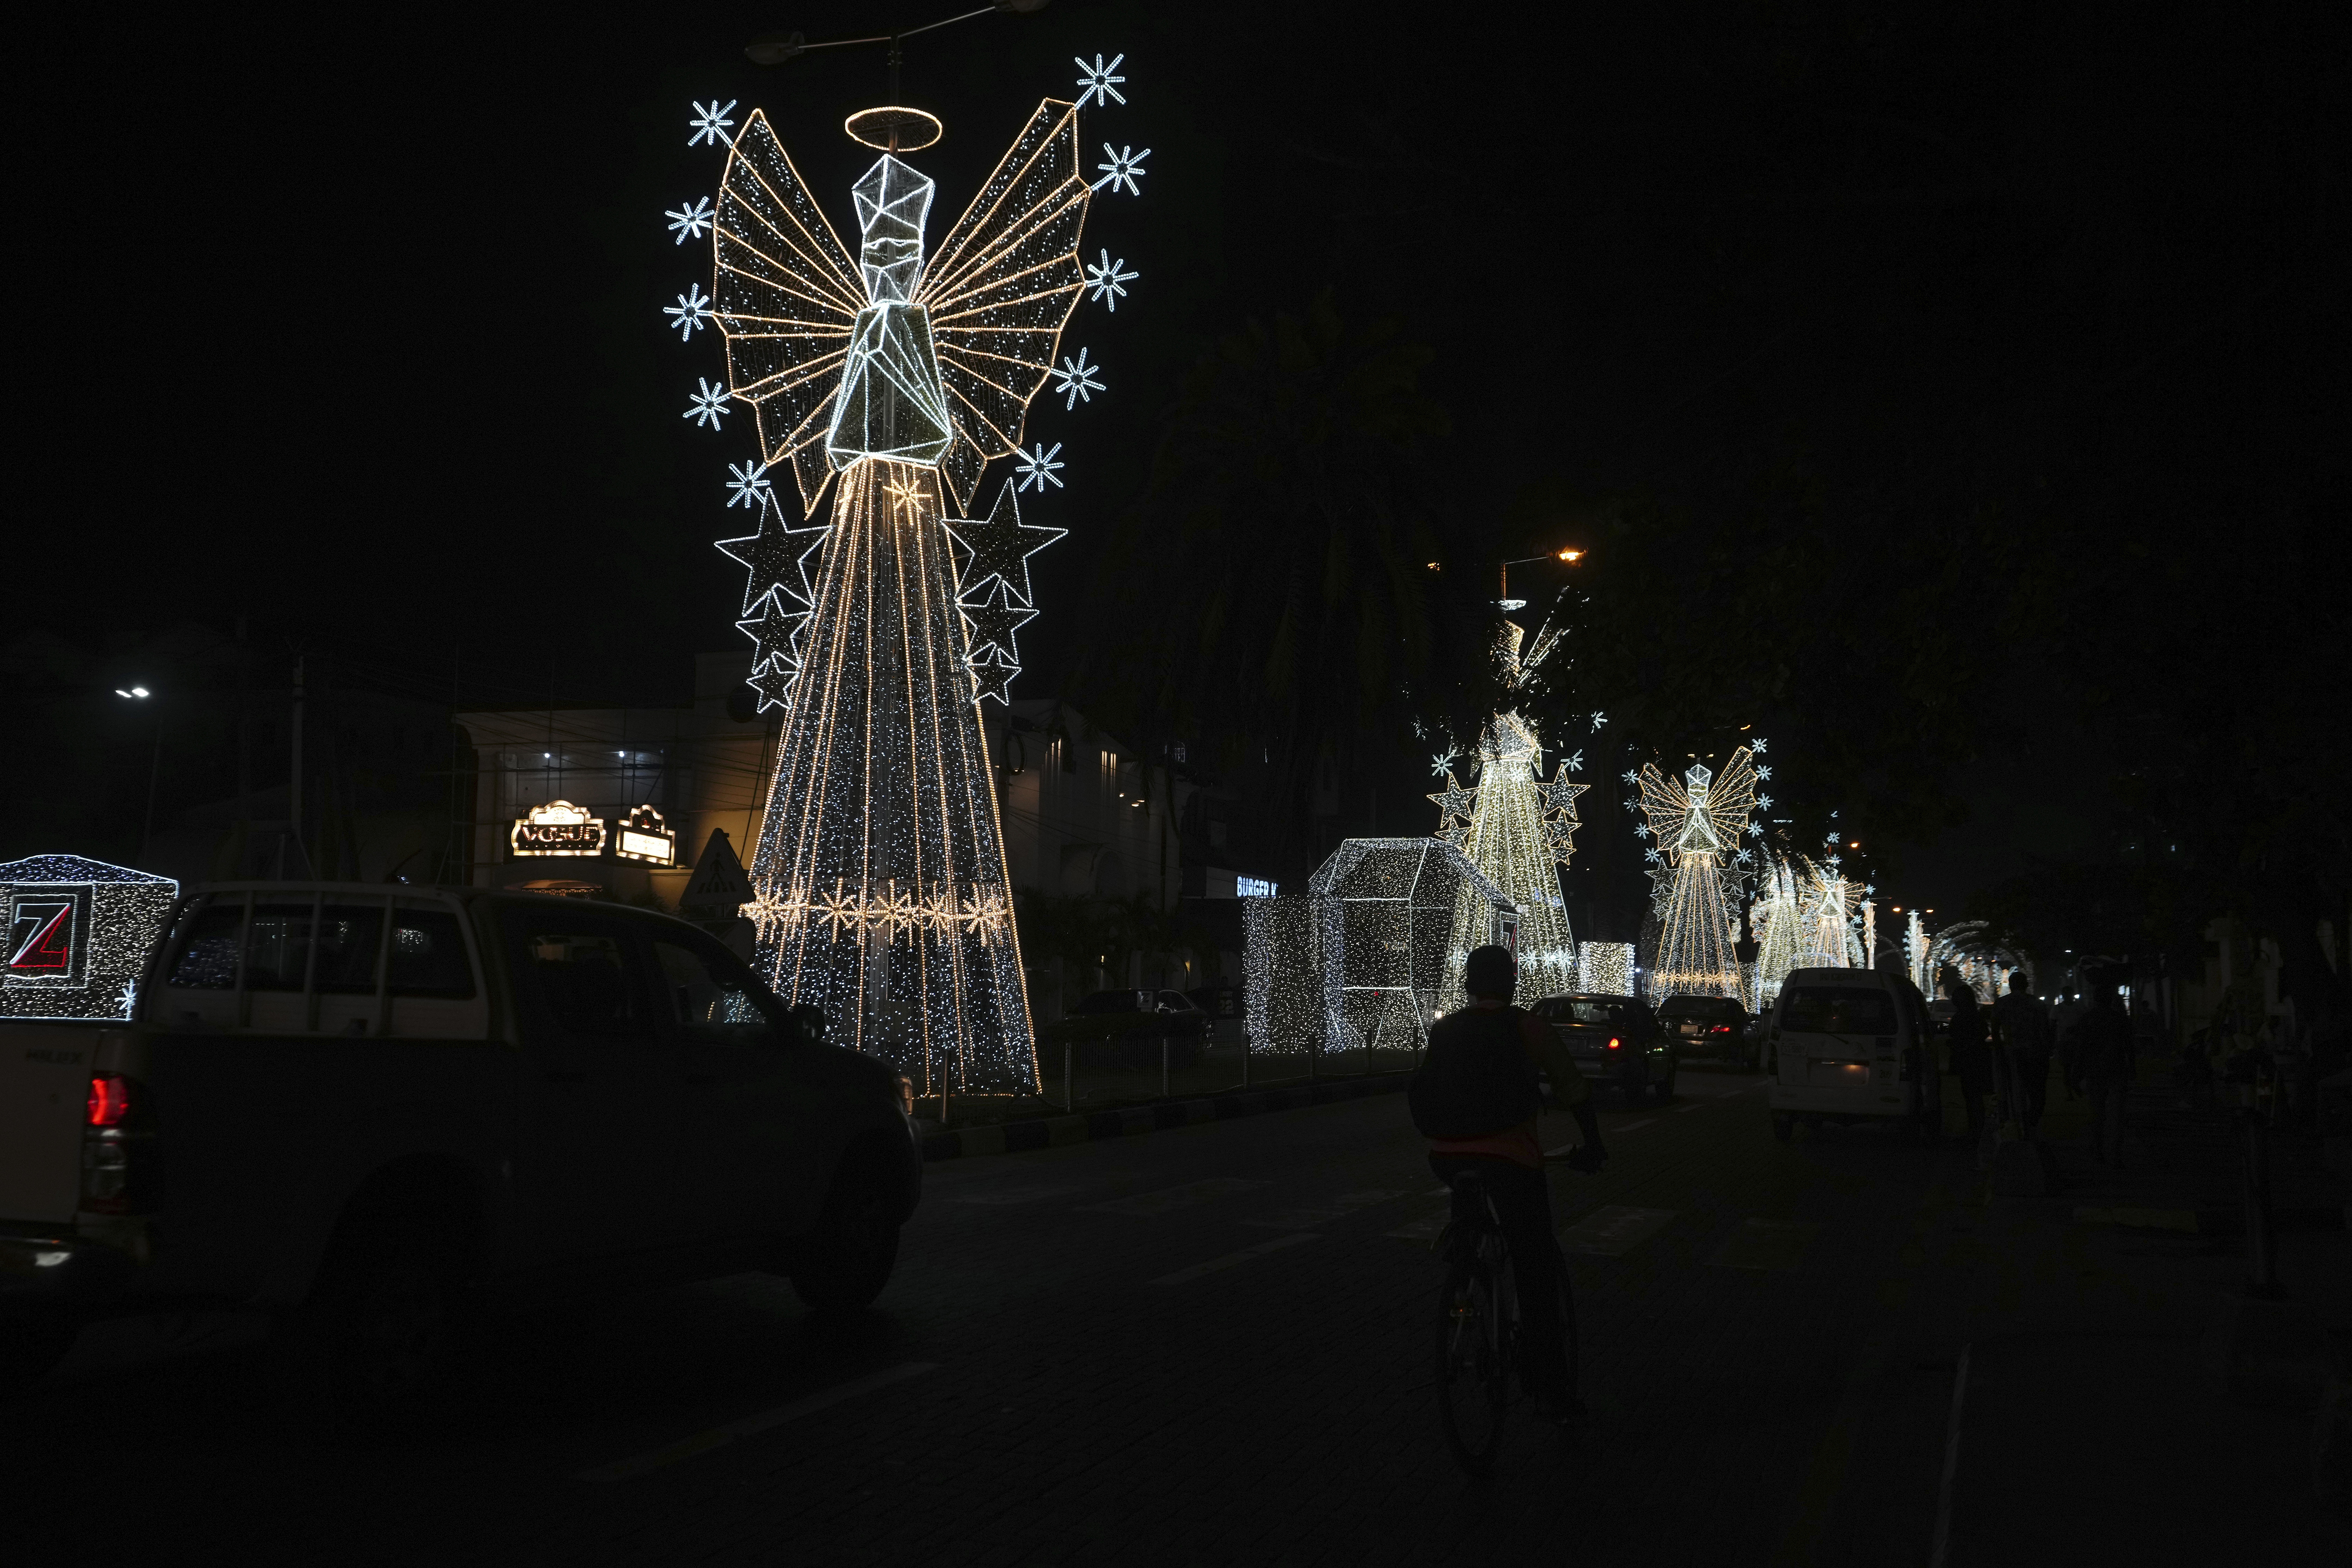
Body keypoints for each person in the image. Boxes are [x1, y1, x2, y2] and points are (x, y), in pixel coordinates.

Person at [1414, 945, 1608, 1426]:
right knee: (1534, 1262)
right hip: (1510, 1161)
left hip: (1446, 1154)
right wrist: (1593, 1145)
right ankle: (1549, 1390)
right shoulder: (1527, 1026)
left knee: (1471, 1232)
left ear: (1468, 985)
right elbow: (1573, 1088)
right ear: (1512, 982)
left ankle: (1466, 1276)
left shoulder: (1444, 1029)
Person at [1992, 974, 2056, 1136]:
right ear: (2027, 985)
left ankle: (2020, 1123)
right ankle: (2032, 1122)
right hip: (2035, 1052)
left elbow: (1995, 1031)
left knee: (2014, 1090)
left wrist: (2000, 1050)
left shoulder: (2002, 1004)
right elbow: (2045, 1030)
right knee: (2037, 1091)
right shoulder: (2036, 1004)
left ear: (2011, 985)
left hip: (2011, 1053)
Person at [2080, 983, 2135, 1165]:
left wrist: (2078, 1069)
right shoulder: (2119, 1019)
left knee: (2097, 1110)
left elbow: (2081, 1047)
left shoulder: (2088, 1018)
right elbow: (2130, 1046)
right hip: (2116, 1067)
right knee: (2117, 1112)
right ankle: (2115, 1151)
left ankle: (2098, 1150)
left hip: (2095, 1069)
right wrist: (2132, 1067)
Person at [1942, 970, 1993, 1146]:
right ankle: (1977, 1130)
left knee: (1972, 1097)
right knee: (1975, 1097)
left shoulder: (1962, 1017)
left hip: (1968, 1061)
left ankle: (1976, 1131)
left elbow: (1956, 1037)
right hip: (1976, 1059)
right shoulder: (1975, 1015)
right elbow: (1984, 1033)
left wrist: (1961, 1045)